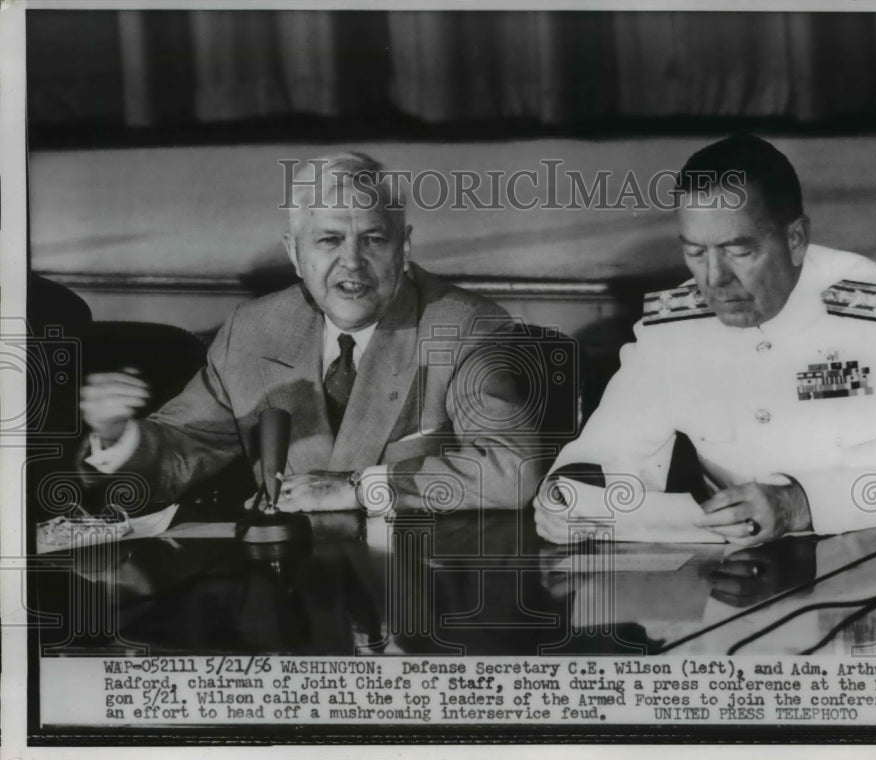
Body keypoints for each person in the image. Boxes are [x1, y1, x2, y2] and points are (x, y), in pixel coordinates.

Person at [535, 134, 876, 545]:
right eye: (695, 252)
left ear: (795, 239)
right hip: (736, 578)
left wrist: (799, 503)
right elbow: (611, 447)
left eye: (739, 252)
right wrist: (571, 494)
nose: (713, 280)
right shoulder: (674, 326)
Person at [81, 152, 544, 515]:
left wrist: (358, 487)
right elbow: (180, 452)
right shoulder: (253, 331)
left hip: (413, 599)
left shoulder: (461, 325)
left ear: (404, 248)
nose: (352, 262)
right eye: (328, 240)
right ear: (295, 255)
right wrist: (117, 437)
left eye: (374, 239)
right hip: (289, 602)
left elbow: (510, 471)